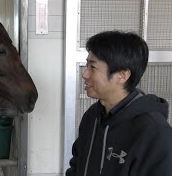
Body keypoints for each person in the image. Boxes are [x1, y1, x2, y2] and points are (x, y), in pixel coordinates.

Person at [66, 31, 172, 176]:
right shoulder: (92, 116)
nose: (85, 74)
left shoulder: (154, 131)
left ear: (122, 75)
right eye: (86, 65)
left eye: (93, 67)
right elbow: (77, 165)